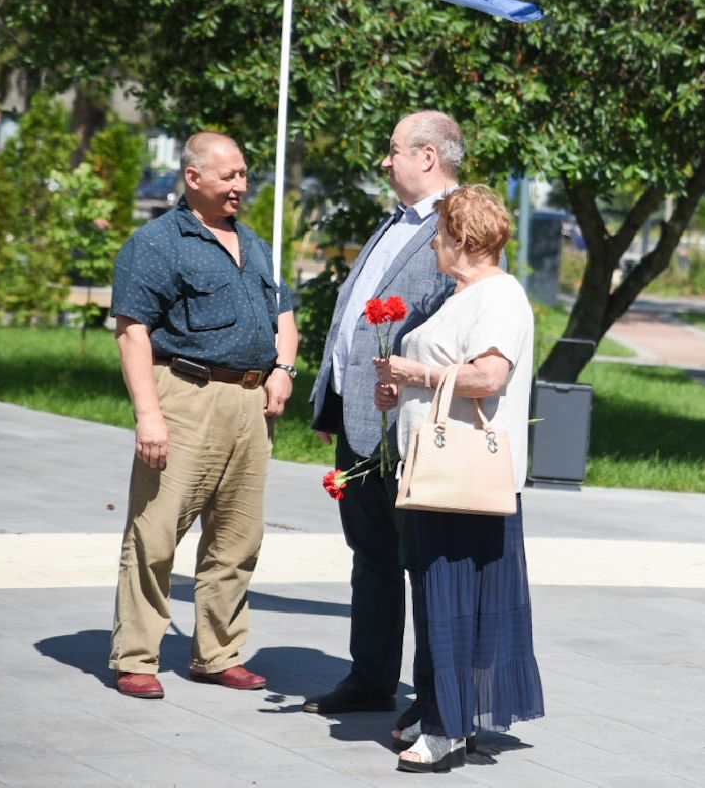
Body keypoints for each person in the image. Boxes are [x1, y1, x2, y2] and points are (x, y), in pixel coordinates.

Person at [108, 132, 299, 700]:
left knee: (238, 539)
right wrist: (150, 416)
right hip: (186, 396)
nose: (242, 186)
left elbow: (283, 311)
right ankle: (136, 656)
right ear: (193, 178)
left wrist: (284, 368)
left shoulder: (255, 244)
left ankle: (217, 653)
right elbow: (132, 331)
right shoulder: (157, 244)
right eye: (230, 176)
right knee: (157, 531)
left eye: (244, 174)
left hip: (249, 404)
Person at [374, 185, 544, 773]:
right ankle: (441, 708)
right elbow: (449, 371)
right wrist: (405, 387)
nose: (435, 245)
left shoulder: (498, 296)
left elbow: (489, 376)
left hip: (464, 477)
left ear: (463, 239)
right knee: (435, 596)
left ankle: (448, 728)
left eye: (441, 234)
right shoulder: (463, 295)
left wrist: (418, 371)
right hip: (438, 472)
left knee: (448, 599)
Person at [303, 111, 461, 720]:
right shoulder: (395, 221)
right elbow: (354, 314)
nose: (384, 161)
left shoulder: (457, 224)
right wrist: (332, 396)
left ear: (427, 156)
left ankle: (432, 698)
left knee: (421, 561)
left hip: (411, 420)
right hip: (359, 416)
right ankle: (371, 677)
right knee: (369, 552)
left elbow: (455, 318)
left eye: (393, 150)